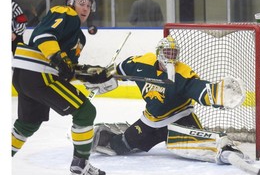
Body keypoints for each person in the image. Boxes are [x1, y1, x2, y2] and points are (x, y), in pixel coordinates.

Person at [91, 35, 248, 165]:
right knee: (121, 146)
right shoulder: (142, 63)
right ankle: (104, 137)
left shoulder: (182, 72)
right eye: (167, 52)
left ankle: (226, 151)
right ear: (159, 52)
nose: (170, 57)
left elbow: (198, 88)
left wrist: (217, 94)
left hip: (180, 118)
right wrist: (105, 76)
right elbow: (121, 68)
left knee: (201, 145)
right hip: (150, 122)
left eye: (174, 53)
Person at [12, 0, 112, 175]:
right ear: (71, 3)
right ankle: (79, 167)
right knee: (85, 112)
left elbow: (67, 70)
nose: (85, 8)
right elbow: (43, 36)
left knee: (27, 124)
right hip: (39, 74)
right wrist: (58, 58)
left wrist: (91, 75)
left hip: (27, 75)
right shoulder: (64, 13)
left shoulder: (79, 37)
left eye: (88, 5)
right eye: (81, 3)